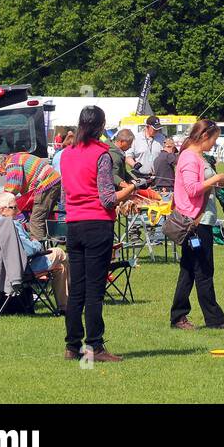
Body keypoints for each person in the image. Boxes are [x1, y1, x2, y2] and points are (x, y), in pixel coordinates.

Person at [61, 105, 137, 362]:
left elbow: (65, 194)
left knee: (77, 290)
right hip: (97, 223)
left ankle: (72, 345)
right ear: (101, 126)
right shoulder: (101, 154)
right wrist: (130, 190)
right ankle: (94, 346)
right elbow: (106, 198)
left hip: (74, 225)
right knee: (95, 290)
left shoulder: (66, 154)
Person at [170, 118, 224, 331]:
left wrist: (218, 181)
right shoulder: (190, 158)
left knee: (189, 269)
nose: (214, 144)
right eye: (213, 139)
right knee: (203, 270)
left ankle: (179, 316)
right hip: (196, 223)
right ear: (205, 136)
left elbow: (201, 184)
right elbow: (191, 189)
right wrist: (216, 178)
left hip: (200, 220)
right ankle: (214, 318)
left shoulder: (196, 156)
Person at [0, 191, 68, 310]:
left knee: (60, 267)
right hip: (20, 270)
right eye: (14, 207)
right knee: (59, 252)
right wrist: (36, 242)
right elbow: (29, 250)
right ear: (3, 210)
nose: (18, 211)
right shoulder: (11, 225)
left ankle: (65, 306)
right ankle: (65, 306)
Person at [0, 150, 62, 241]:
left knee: (36, 220)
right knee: (44, 216)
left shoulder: (12, 163)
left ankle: (38, 248)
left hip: (46, 184)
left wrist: (0, 201)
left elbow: (12, 186)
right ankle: (55, 237)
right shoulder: (16, 158)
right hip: (52, 182)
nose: (0, 174)